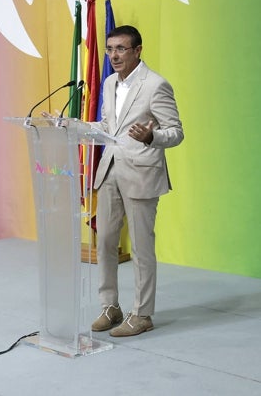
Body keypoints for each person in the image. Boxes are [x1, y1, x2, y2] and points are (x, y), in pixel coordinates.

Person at [89, 25, 184, 337]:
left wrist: (152, 136)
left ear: (137, 50)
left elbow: (176, 131)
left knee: (142, 248)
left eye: (120, 49)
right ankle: (110, 306)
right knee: (104, 242)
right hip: (110, 171)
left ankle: (142, 314)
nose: (114, 55)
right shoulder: (109, 82)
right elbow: (108, 125)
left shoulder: (156, 85)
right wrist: (70, 126)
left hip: (142, 173)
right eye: (109, 49)